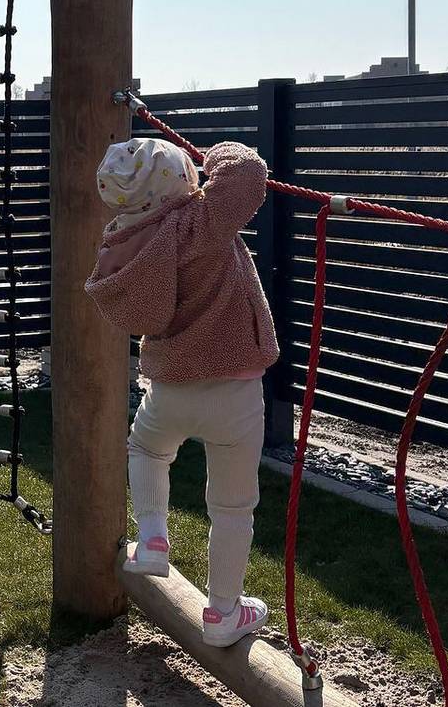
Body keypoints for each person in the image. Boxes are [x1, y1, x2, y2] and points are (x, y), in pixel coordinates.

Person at [85, 136, 279, 648]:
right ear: (181, 183)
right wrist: (215, 154)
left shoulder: (122, 242)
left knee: (147, 448)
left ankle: (152, 537)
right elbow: (247, 174)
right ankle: (222, 612)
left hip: (169, 386)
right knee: (233, 507)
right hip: (234, 390)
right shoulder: (198, 223)